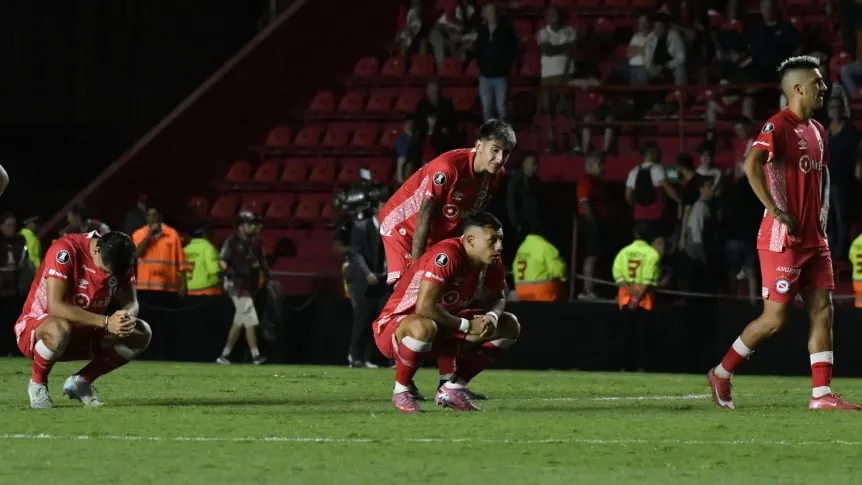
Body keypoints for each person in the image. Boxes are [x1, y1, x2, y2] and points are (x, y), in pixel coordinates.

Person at [707, 56, 860, 411]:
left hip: (813, 238)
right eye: (818, 83)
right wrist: (776, 210)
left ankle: (821, 395)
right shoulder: (777, 126)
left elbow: (820, 180)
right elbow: (751, 165)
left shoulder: (819, 130)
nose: (824, 88)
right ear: (798, 88)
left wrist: (822, 216)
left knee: (823, 310)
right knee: (775, 319)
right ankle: (722, 372)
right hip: (782, 240)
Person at [378, 119, 516, 398]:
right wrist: (418, 267)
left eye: (506, 153)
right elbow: (425, 214)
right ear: (479, 144)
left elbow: (469, 218)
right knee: (416, 302)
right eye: (495, 150)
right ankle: (404, 382)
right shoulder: (448, 168)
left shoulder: (495, 175)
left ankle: (449, 383)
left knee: (446, 298)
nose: (499, 159)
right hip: (405, 230)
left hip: (439, 235)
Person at [372, 213, 520, 413]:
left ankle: (453, 389)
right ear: (470, 240)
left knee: (508, 325)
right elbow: (424, 307)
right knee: (423, 326)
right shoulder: (447, 255)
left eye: (500, 240)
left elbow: (498, 297)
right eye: (492, 240)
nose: (499, 247)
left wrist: (491, 317)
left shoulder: (492, 261)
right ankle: (401, 390)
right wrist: (467, 326)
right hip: (396, 327)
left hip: (444, 326)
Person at [13, 231, 151, 408]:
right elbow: (56, 306)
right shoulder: (65, 250)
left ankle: (81, 382)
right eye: (107, 271)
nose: (110, 277)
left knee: (141, 333)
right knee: (59, 329)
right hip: (39, 328)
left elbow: (131, 303)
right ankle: (37, 384)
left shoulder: (120, 257)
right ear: (96, 250)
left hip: (84, 329)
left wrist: (126, 318)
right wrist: (107, 322)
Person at [216, 212, 270, 365]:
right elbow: (222, 260)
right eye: (249, 224)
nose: (253, 227)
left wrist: (267, 276)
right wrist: (228, 272)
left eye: (254, 224)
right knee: (250, 316)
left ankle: (225, 355)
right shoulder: (232, 241)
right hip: (236, 285)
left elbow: (262, 262)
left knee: (240, 320)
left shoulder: (257, 242)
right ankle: (256, 355)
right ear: (240, 226)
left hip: (249, 285)